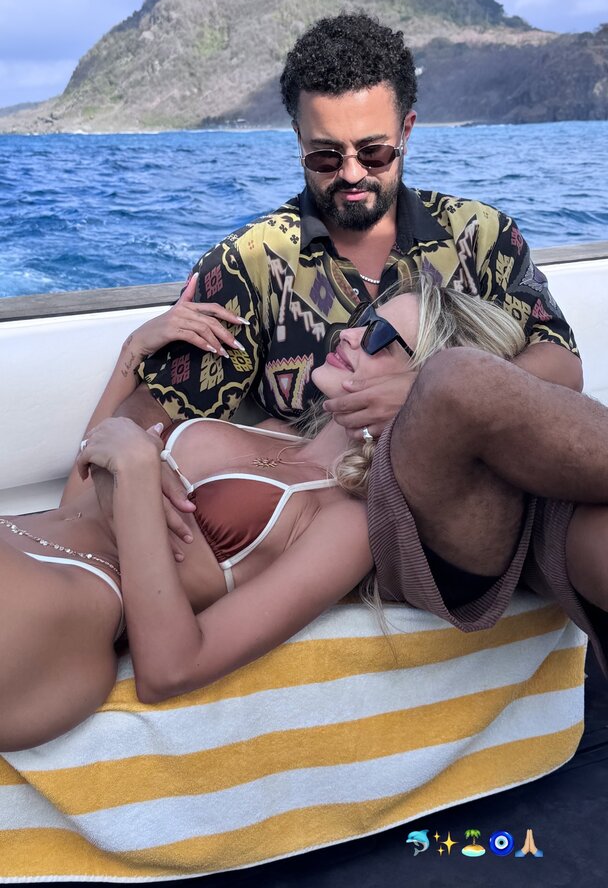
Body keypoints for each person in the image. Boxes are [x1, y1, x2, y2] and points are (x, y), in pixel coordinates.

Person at [2, 277, 606, 753]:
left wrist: (137, 470)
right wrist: (130, 357)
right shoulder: (271, 428)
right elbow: (77, 502)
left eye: (378, 336)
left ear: (419, 379)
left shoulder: (346, 520)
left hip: (58, 610)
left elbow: (171, 668)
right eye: (362, 318)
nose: (349, 333)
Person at [108, 13, 581, 450]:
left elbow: (560, 362)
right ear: (299, 139)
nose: (352, 174)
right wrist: (142, 455)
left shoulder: (481, 236)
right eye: (325, 156)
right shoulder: (248, 266)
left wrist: (426, 393)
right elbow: (153, 412)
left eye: (374, 153)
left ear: (406, 131)